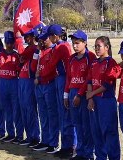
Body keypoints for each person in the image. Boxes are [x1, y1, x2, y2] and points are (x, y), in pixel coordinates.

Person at [86, 36, 121, 160]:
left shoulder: (111, 63)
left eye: (98, 46)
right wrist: (90, 98)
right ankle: (100, 157)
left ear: (106, 47)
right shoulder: (94, 62)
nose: (96, 49)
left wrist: (92, 94)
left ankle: (114, 157)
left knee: (109, 132)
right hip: (94, 100)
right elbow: (89, 80)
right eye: (95, 46)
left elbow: (107, 84)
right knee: (96, 131)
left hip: (106, 101)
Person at [64, 30, 96, 160]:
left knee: (86, 125)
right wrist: (66, 95)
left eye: (77, 43)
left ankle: (89, 154)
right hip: (73, 93)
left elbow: (89, 79)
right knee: (77, 124)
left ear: (85, 43)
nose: (74, 46)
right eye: (73, 43)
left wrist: (79, 94)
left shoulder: (91, 57)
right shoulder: (71, 58)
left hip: (83, 95)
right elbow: (69, 78)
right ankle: (80, 152)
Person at [46, 24, 75, 157]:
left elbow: (51, 64)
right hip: (61, 78)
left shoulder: (61, 47)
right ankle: (67, 145)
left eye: (50, 36)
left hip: (63, 79)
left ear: (55, 36)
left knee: (65, 114)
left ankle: (68, 147)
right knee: (63, 114)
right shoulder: (61, 46)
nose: (49, 38)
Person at [32, 26, 60, 153]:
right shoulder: (41, 51)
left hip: (49, 85)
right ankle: (45, 140)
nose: (42, 41)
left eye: (44, 39)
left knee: (51, 115)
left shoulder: (54, 50)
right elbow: (33, 68)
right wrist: (37, 52)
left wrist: (40, 75)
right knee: (43, 115)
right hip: (40, 86)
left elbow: (52, 70)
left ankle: (53, 142)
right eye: (41, 39)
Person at [0, 31, 24, 143]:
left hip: (13, 82)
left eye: (11, 42)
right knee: (6, 109)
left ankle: (19, 134)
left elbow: (20, 69)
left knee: (16, 109)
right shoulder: (0, 54)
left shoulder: (16, 55)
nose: (9, 45)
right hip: (2, 82)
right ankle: (10, 133)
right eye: (7, 42)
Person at [16, 27, 40, 147]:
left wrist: (18, 39)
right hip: (22, 79)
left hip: (29, 81)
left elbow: (22, 53)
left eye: (29, 36)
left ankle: (34, 136)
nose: (26, 38)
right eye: (25, 36)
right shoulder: (29, 48)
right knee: (24, 109)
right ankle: (29, 135)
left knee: (30, 109)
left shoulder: (34, 49)